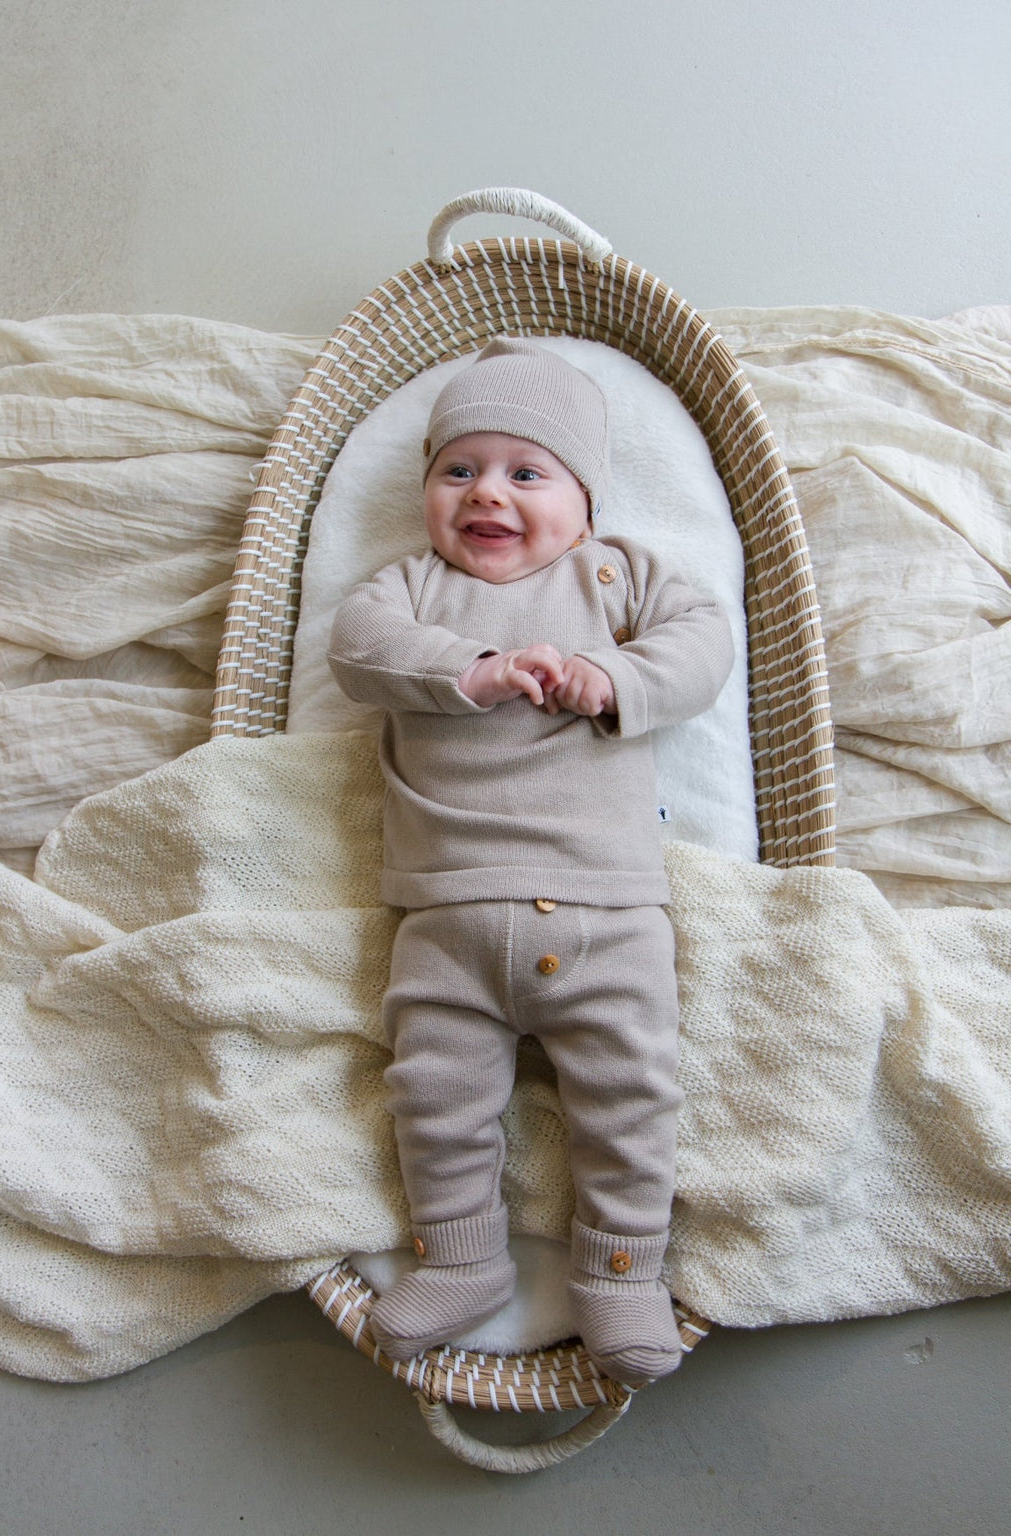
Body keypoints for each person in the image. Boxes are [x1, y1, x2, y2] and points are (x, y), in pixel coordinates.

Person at [327, 338, 734, 1385]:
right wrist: (474, 669)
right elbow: (357, 648)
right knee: (434, 1094)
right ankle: (460, 1258)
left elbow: (703, 642)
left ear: (584, 505)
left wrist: (614, 679)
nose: (485, 495)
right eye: (457, 470)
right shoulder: (412, 587)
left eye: (525, 472)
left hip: (608, 908)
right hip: (448, 911)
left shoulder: (616, 574)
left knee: (629, 1096)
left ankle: (621, 1273)